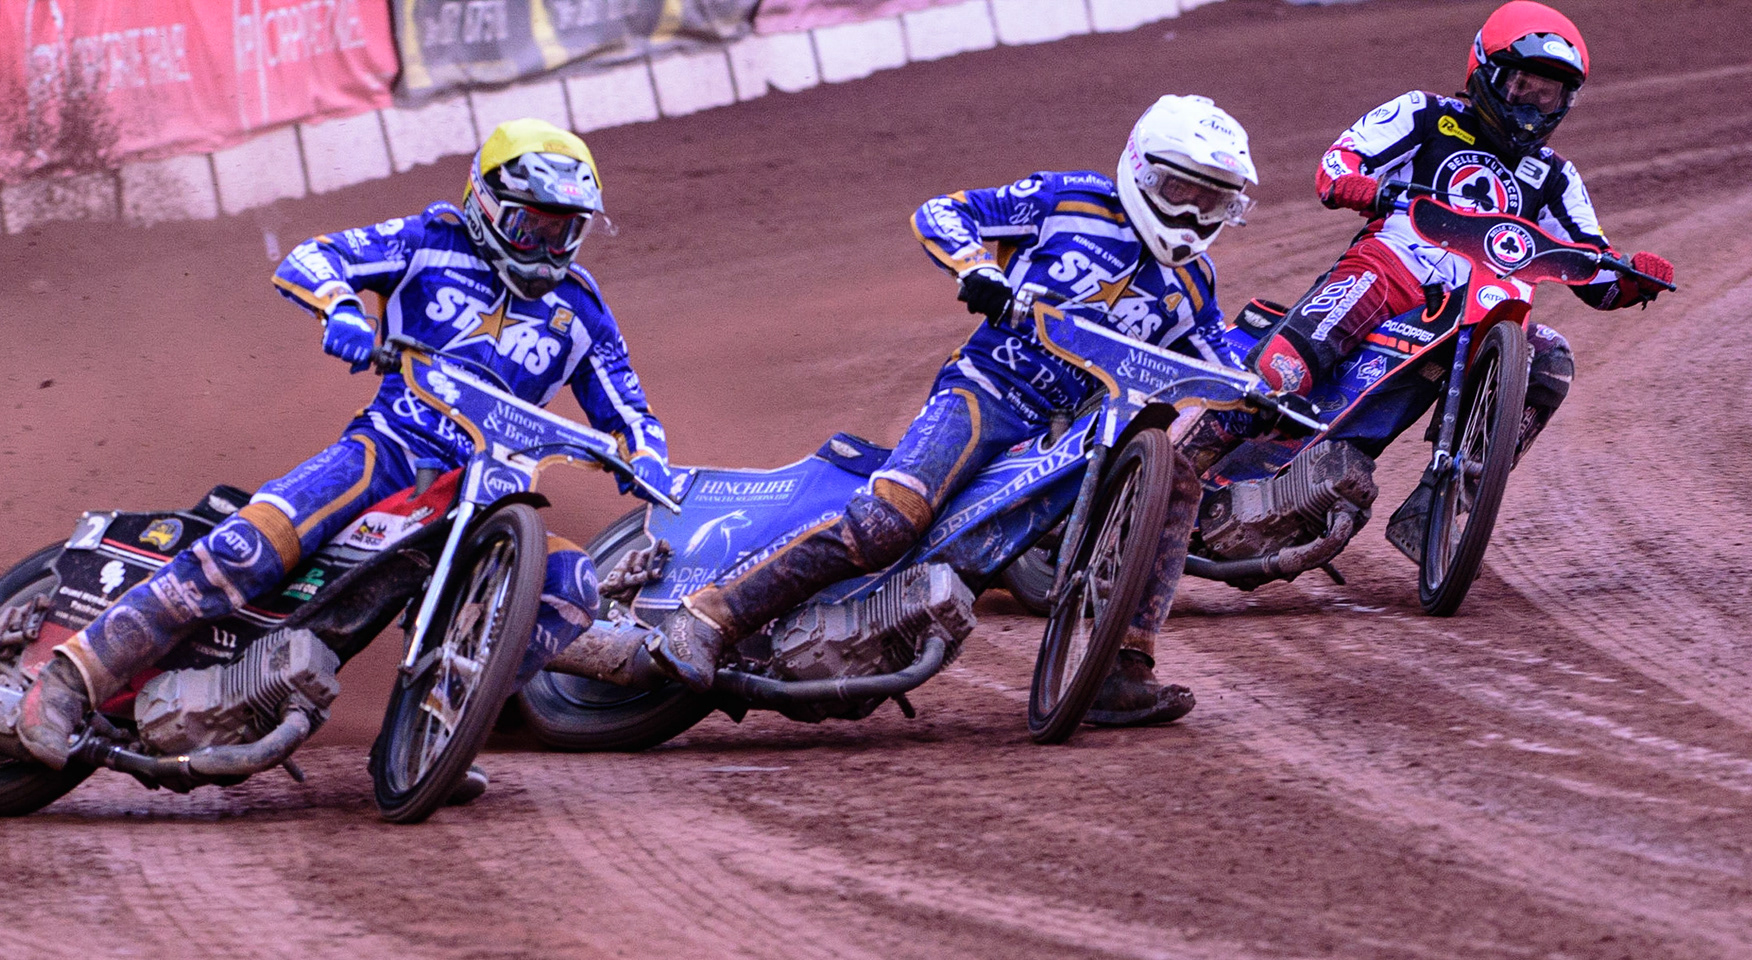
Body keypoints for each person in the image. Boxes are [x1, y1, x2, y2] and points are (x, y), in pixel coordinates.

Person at [16, 119, 677, 767]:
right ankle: (70, 678)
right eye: (530, 224)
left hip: (486, 491)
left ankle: (451, 722)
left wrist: (648, 457)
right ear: (486, 206)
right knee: (249, 548)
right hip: (388, 451)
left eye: (564, 229)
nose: (545, 245)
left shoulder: (582, 312)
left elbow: (631, 410)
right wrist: (342, 309)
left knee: (572, 584)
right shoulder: (430, 242)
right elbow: (313, 256)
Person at [651, 94, 1259, 726]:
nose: (1191, 214)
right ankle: (710, 617)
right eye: (1180, 190)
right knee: (890, 522)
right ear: (1140, 169)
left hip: (1069, 436)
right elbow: (944, 211)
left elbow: (1218, 356)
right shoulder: (1071, 200)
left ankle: (1122, 667)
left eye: (1212, 201)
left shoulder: (1194, 285)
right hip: (986, 391)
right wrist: (977, 271)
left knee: (1176, 481)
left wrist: (1265, 392)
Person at [1246, 1, 1675, 556]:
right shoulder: (1424, 114)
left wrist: (1634, 278)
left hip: (1477, 309)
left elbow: (1592, 266)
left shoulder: (1555, 176)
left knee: (1549, 359)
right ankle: (1185, 468)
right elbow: (1339, 163)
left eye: (1548, 95)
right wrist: (1357, 185)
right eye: (1523, 86)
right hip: (1391, 268)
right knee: (1283, 372)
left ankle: (1439, 510)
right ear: (1487, 74)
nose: (1532, 106)